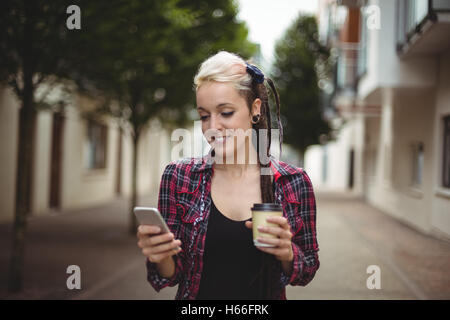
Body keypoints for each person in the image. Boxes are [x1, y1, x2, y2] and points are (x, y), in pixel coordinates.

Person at [137, 50, 319, 300]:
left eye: (225, 113)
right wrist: (161, 256)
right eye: (204, 116)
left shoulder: (293, 182)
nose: (212, 127)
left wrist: (287, 252)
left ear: (255, 109)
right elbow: (173, 274)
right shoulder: (179, 177)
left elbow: (307, 269)